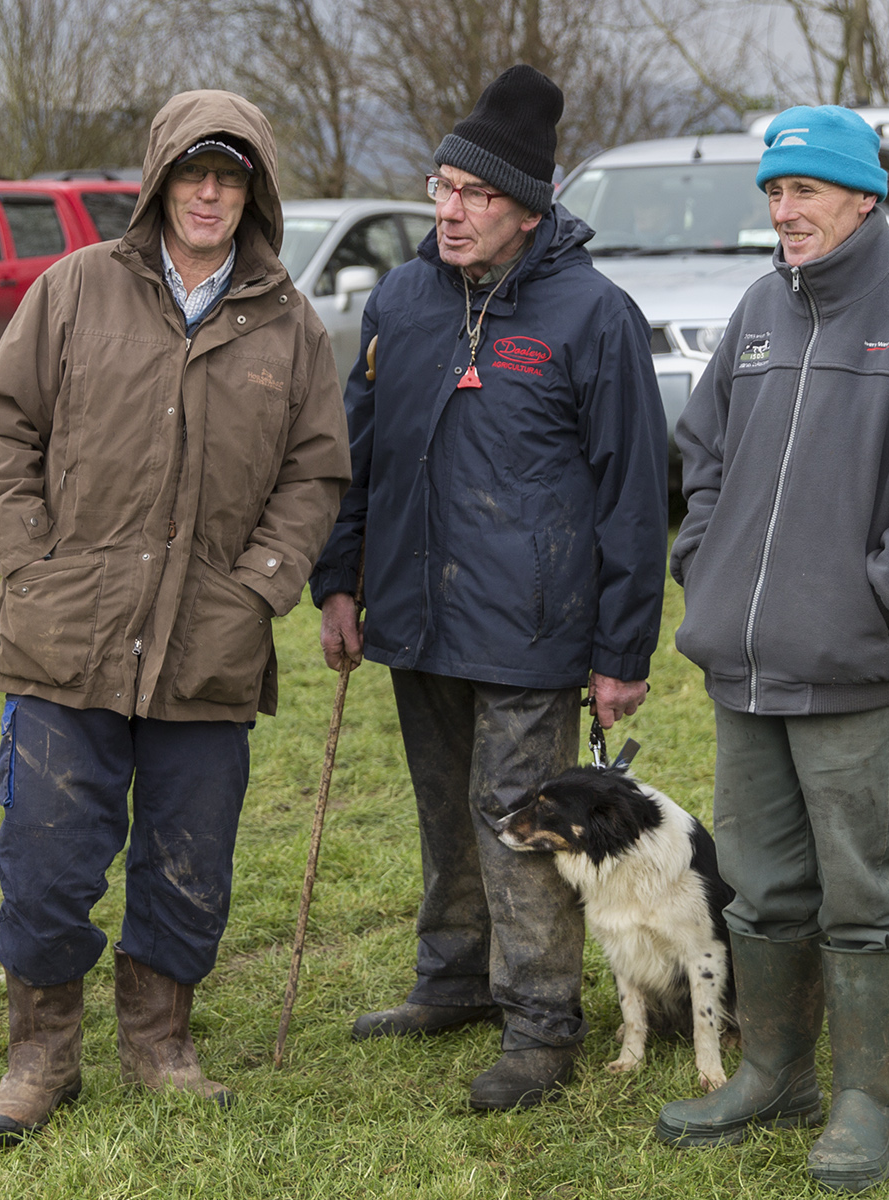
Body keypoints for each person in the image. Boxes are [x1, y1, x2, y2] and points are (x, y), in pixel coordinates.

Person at [0, 90, 350, 1147]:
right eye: (193, 172)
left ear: (256, 189)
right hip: (64, 636)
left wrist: (262, 584)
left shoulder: (288, 323)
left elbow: (317, 472)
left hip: (208, 642)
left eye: (230, 174)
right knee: (45, 855)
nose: (210, 191)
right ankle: (40, 1055)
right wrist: (29, 564)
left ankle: (161, 1046)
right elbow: (0, 431)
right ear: (160, 183)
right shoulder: (75, 290)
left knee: (191, 856)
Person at [654, 105, 889, 1191]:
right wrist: (705, 562)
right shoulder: (761, 310)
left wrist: (872, 602)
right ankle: (775, 1072)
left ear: (865, 197)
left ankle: (863, 1099)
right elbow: (701, 455)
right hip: (744, 670)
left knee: (861, 892)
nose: (784, 209)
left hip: (855, 673)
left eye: (804, 189)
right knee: (761, 889)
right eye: (773, 191)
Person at [309, 64, 669, 1111]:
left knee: (516, 821)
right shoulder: (403, 300)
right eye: (442, 188)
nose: (450, 212)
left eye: (476, 197)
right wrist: (341, 581)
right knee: (442, 812)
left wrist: (622, 651)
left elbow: (633, 495)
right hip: (417, 617)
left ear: (529, 212)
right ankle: (454, 981)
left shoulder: (594, 317)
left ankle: (542, 1022)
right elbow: (360, 450)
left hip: (533, 625)